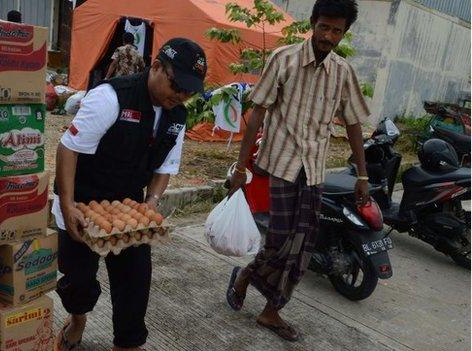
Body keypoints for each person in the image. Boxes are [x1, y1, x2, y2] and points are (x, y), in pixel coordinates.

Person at [226, 0, 370, 342]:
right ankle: (247, 277)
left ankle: (270, 310)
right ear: (313, 22)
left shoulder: (343, 73)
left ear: (344, 33)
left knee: (303, 244)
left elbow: (353, 125)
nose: (329, 36)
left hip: (314, 169)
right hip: (280, 162)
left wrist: (362, 176)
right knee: (279, 240)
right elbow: (257, 113)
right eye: (324, 27)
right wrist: (241, 168)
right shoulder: (284, 59)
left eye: (337, 30)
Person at [52, 38, 206, 351]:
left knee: (135, 286)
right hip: (83, 199)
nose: (182, 96)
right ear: (157, 67)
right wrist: (68, 205)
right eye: (178, 86)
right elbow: (68, 149)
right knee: (78, 282)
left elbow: (165, 166)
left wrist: (150, 203)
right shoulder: (111, 98)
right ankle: (78, 320)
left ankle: (128, 344)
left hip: (128, 204)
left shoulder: (176, 115)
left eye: (190, 91)